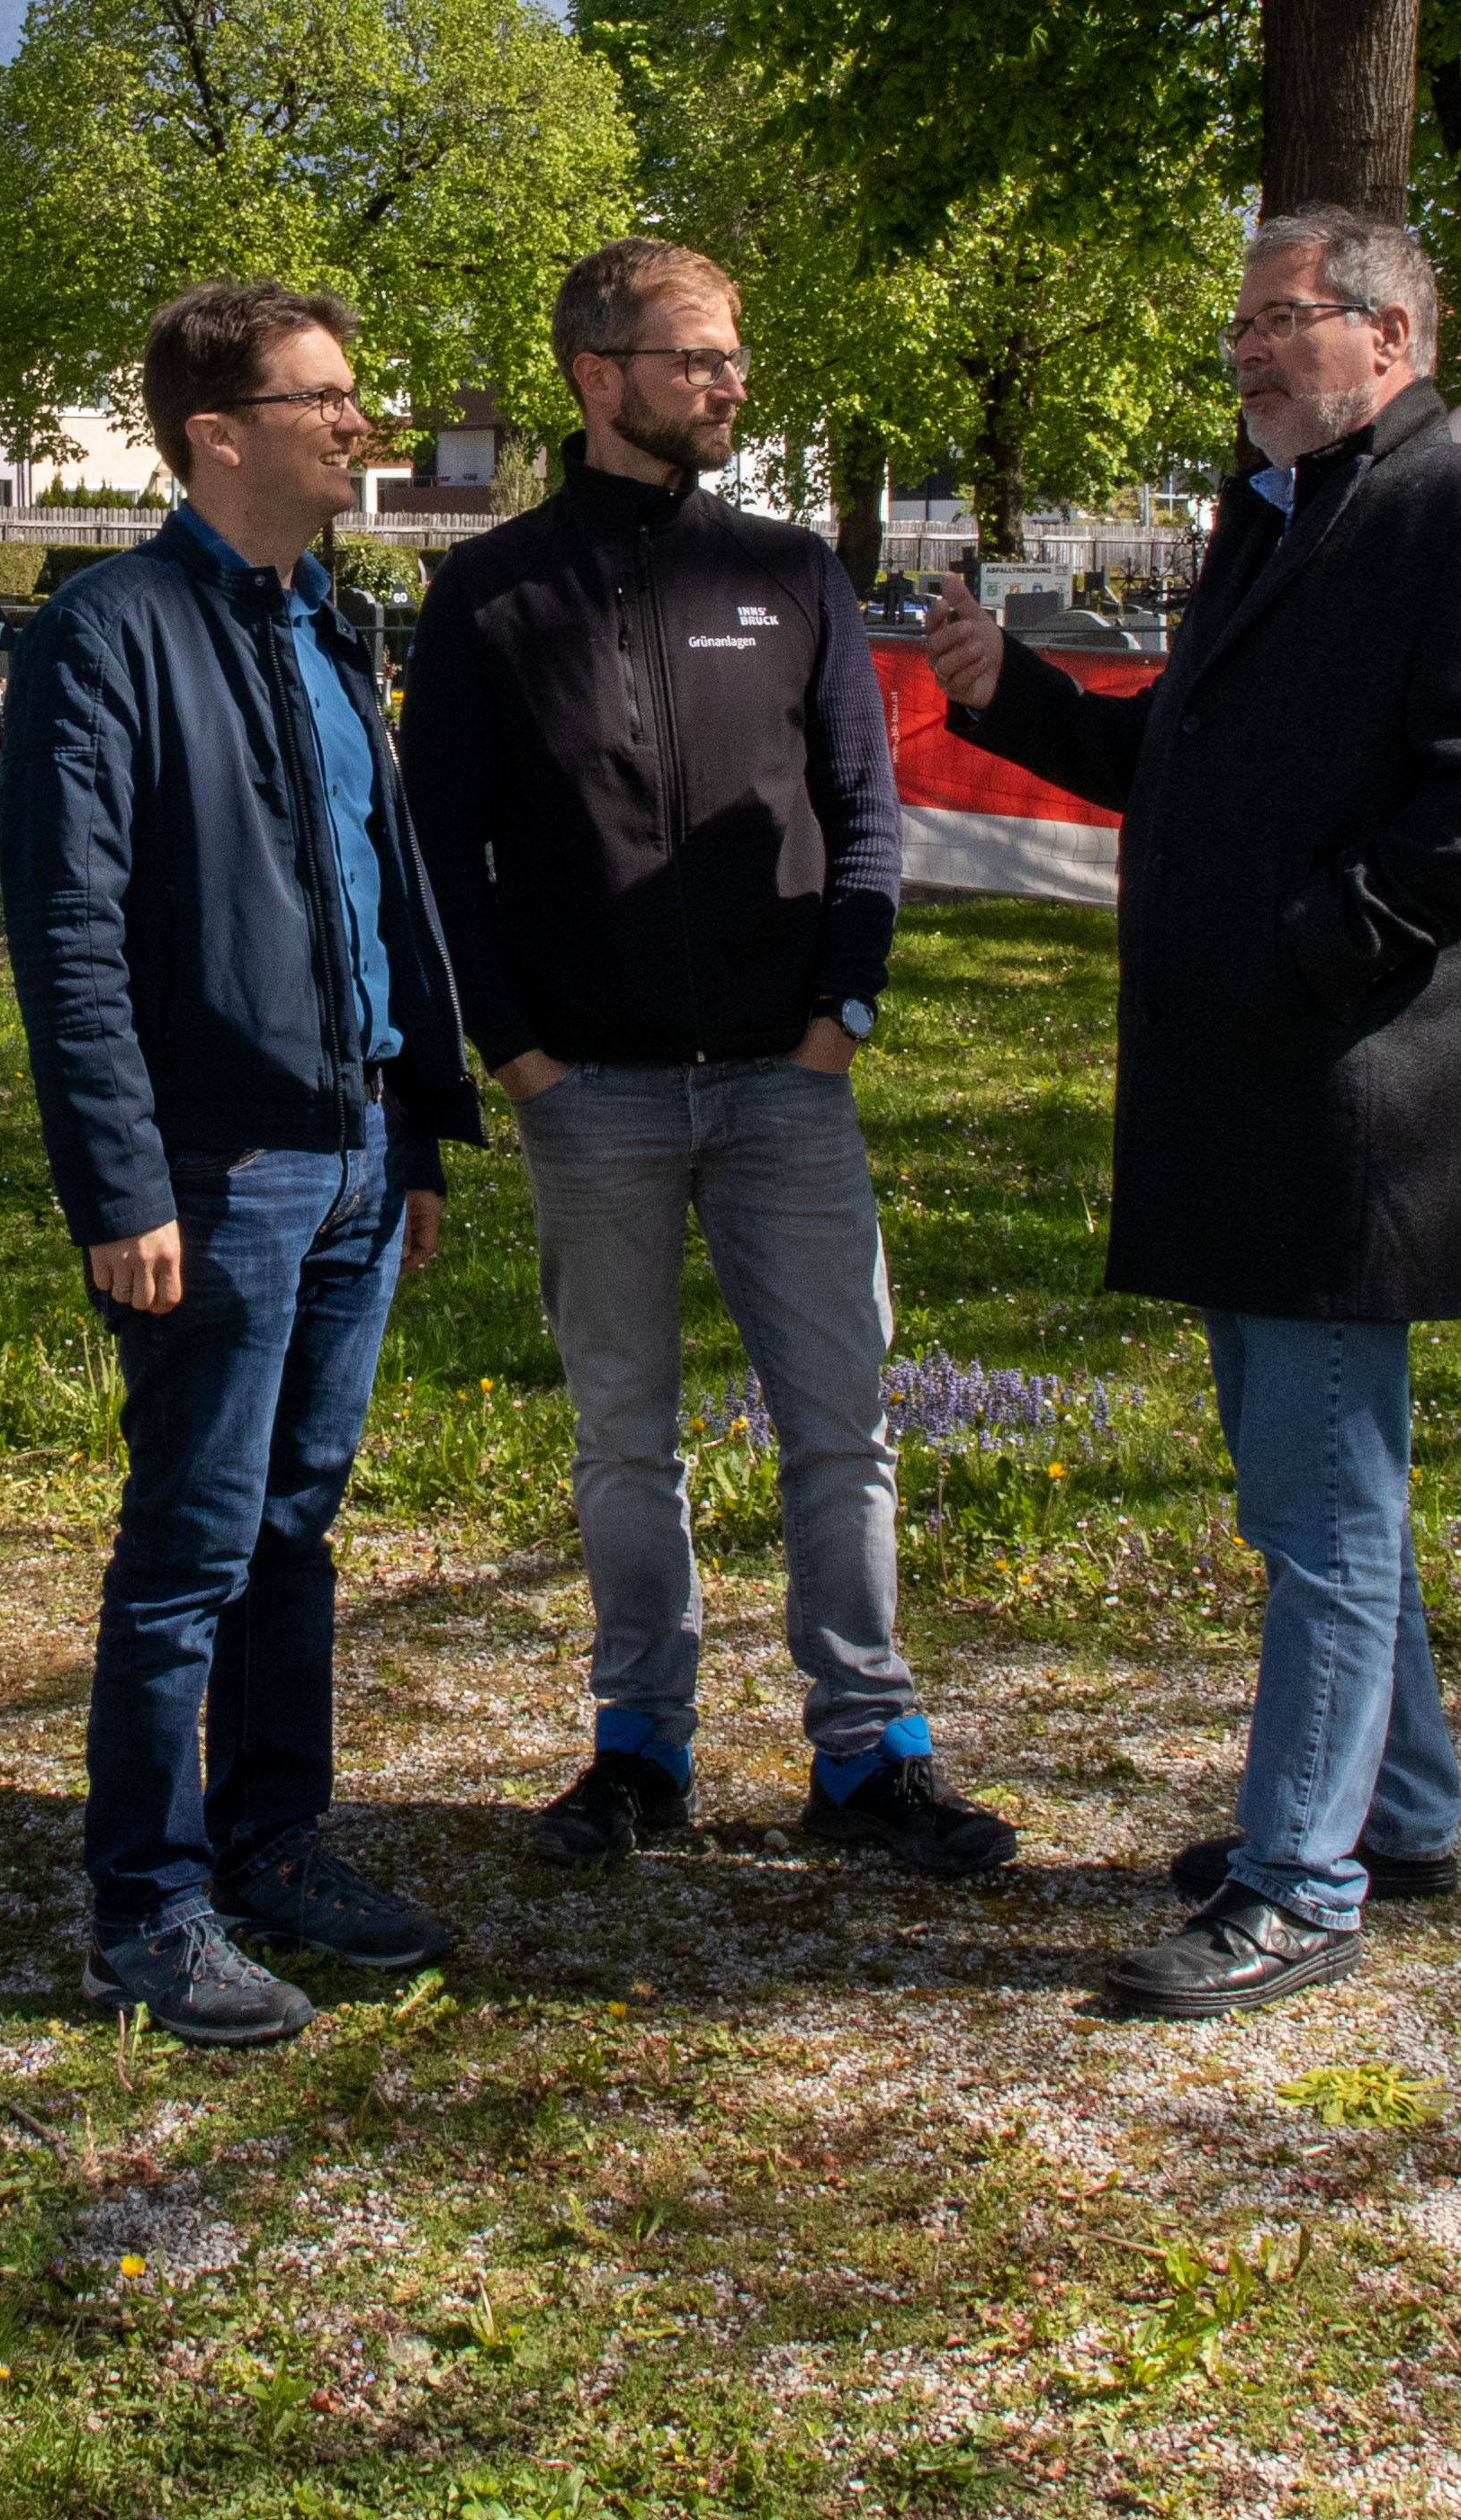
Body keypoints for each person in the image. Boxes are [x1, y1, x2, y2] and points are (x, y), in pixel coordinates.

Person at [923, 208, 1461, 2018]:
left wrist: (1313, 947)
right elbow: (1183, 752)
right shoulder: (1278, 513)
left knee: (1323, 1506)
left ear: (1392, 334)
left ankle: (1301, 1878)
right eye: (1243, 323)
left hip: (1347, 1093)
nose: (1249, 349)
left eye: (1286, 319)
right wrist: (1013, 694)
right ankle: (1401, 1812)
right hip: (1242, 1084)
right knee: (1318, 1485)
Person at [399, 238, 1017, 1878]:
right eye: (699, 358)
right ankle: (640, 1748)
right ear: (599, 376)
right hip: (589, 1095)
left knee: (840, 1427)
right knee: (626, 1440)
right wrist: (515, 1051)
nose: (731, 383)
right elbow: (435, 850)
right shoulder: (489, 594)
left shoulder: (790, 572)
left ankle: (869, 1751)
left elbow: (865, 809)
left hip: (784, 1088)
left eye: (736, 356)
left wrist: (842, 1015)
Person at [0, 281, 481, 2046]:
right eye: (325, 398)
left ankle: (276, 1845)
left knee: (295, 1527)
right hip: (216, 1169)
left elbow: (383, 895)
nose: (360, 424)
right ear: (218, 431)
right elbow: (70, 935)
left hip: (352, 1153)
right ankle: (149, 1905)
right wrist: (120, 1183)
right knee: (192, 1544)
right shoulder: (107, 635)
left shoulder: (330, 628)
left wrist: (415, 1130)